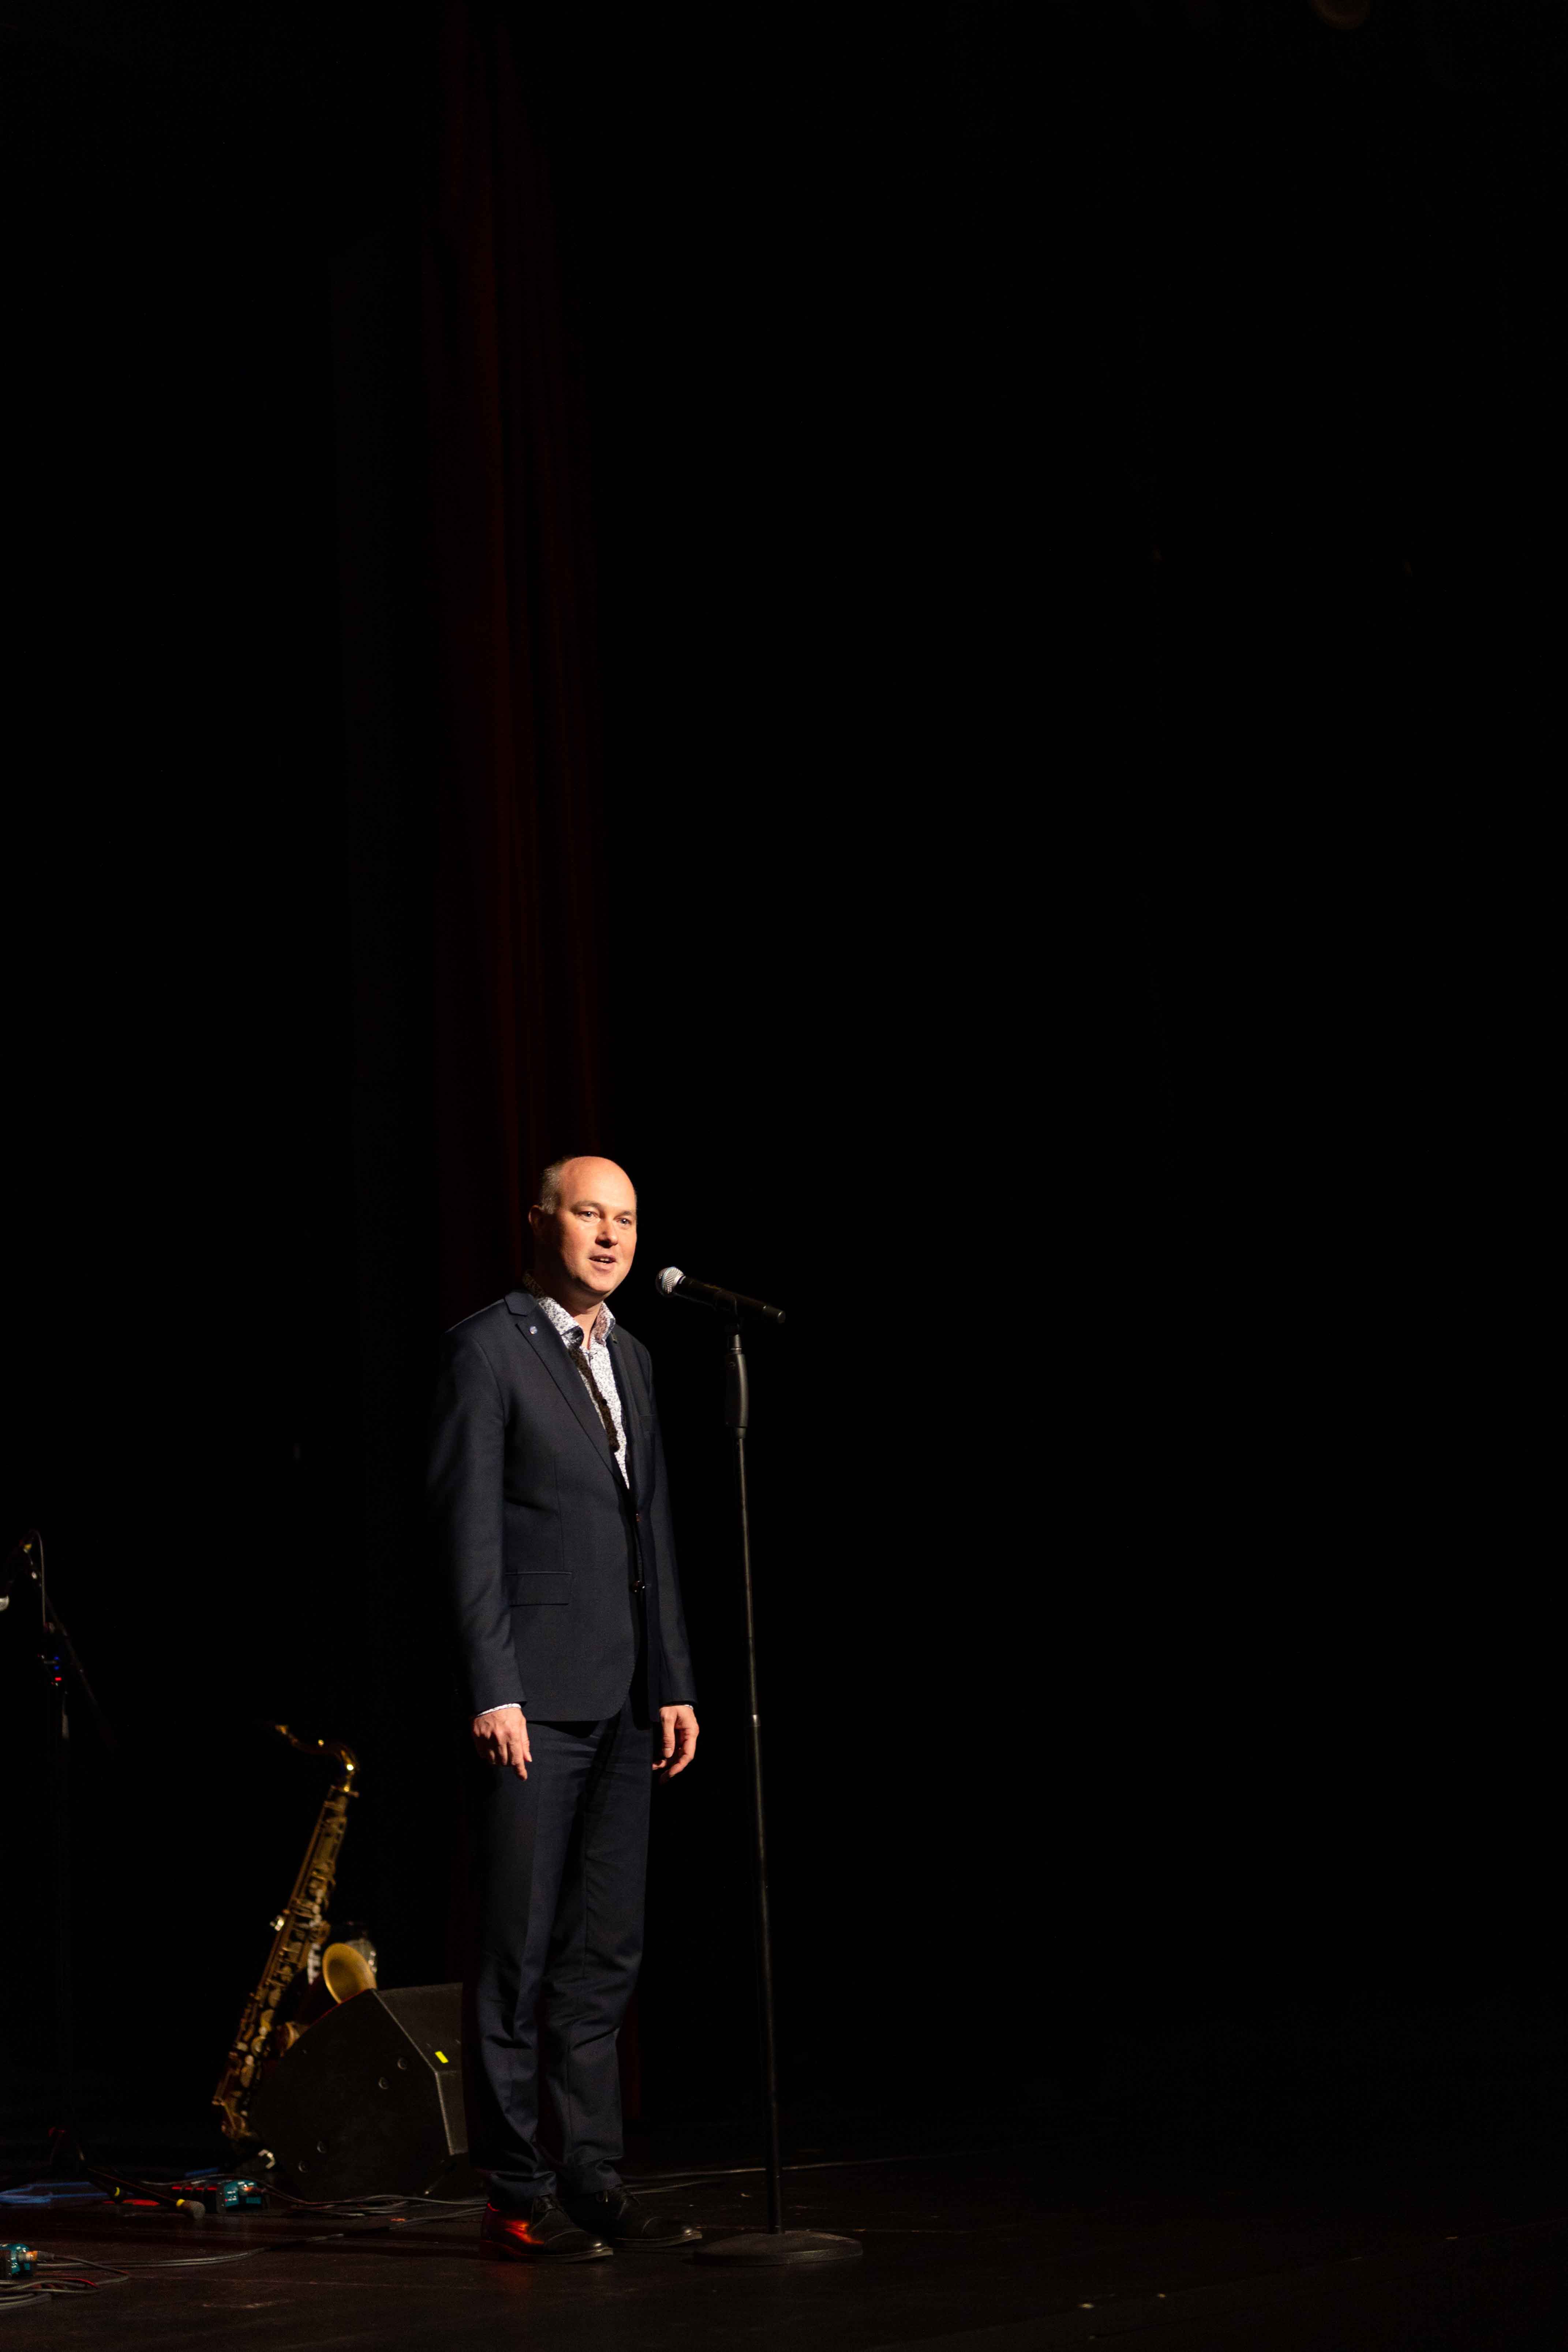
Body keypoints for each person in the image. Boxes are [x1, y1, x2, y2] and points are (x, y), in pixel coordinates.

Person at [429, 1154, 700, 2262]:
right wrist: (493, 1684)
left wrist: (673, 1677)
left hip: (628, 1694)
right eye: (591, 1213)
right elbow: (468, 1532)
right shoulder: (487, 1347)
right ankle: (515, 2185)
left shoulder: (631, 1355)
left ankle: (592, 2176)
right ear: (541, 1223)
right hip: (533, 1698)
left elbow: (652, 1531)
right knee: (518, 1948)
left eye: (626, 1218)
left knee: (605, 1952)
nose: (612, 1235)